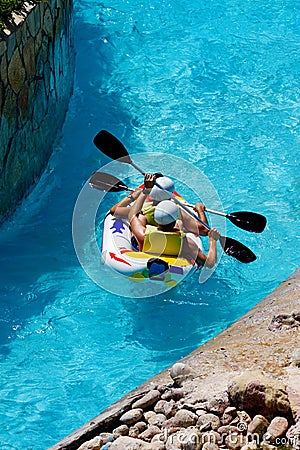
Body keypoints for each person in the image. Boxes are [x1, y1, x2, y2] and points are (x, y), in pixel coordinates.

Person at [127, 174, 220, 268]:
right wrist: (212, 240)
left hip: (143, 261)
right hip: (175, 266)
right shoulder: (185, 243)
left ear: (156, 218)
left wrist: (146, 190)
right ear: (175, 220)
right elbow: (209, 263)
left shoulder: (142, 234)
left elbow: (132, 215)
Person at [110, 175, 209, 236]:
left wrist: (132, 196)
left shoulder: (143, 208)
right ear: (172, 194)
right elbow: (204, 230)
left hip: (146, 244)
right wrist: (200, 210)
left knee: (139, 218)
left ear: (151, 194)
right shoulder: (177, 211)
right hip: (172, 247)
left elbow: (114, 211)